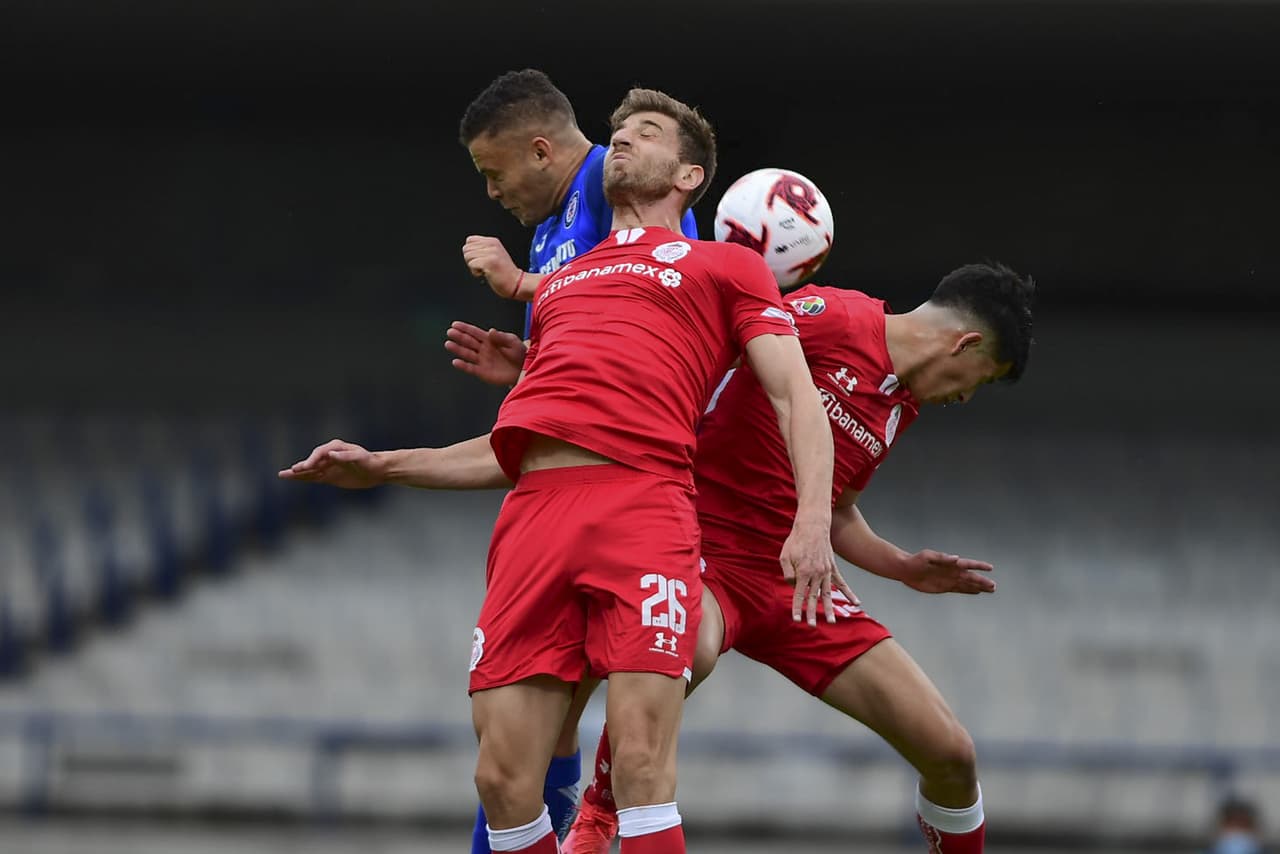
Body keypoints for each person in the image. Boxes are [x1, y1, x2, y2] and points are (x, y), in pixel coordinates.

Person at [282, 88, 843, 854]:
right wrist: (381, 466)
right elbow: (518, 445)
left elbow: (794, 396)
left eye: (643, 134)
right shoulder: (560, 289)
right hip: (535, 518)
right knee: (504, 780)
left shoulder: (725, 268)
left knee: (642, 769)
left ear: (689, 177)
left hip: (643, 507)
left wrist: (812, 521)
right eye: (616, 131)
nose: (620, 140)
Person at [456, 263, 1034, 854]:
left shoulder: (898, 406)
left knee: (951, 753)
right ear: (965, 343)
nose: (965, 396)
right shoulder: (834, 318)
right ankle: (601, 811)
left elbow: (834, 511)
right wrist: (535, 363)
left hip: (796, 577)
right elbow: (685, 354)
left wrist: (900, 565)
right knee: (690, 649)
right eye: (980, 380)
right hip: (699, 549)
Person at [452, 68, 699, 850]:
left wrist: (518, 281)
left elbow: (663, 286)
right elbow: (602, 353)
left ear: (538, 149)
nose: (492, 194)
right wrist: (529, 361)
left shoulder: (611, 183)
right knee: (515, 761)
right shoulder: (554, 226)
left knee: (568, 757)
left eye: (495, 174)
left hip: (628, 498)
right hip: (568, 495)